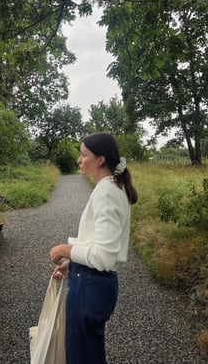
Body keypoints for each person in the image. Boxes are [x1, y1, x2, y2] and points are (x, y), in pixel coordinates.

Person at [49, 132, 138, 364]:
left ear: (100, 159)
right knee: (89, 355)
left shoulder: (107, 191)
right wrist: (74, 263)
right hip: (93, 283)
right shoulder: (110, 187)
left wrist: (65, 250)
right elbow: (98, 244)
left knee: (82, 357)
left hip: (90, 287)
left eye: (83, 154)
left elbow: (105, 257)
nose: (79, 160)